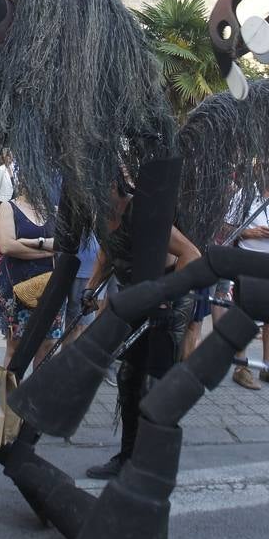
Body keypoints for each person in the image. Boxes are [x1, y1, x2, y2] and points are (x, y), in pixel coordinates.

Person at [84, 176, 199, 480]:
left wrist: (167, 294)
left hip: (168, 302)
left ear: (114, 185)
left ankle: (155, 462)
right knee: (128, 377)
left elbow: (191, 254)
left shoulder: (143, 210)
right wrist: (91, 289)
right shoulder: (104, 214)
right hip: (136, 296)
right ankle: (127, 456)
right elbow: (106, 254)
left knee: (157, 385)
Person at [223, 172, 269, 390]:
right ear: (259, 169)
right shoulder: (244, 194)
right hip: (249, 260)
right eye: (268, 166)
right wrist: (250, 232)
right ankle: (240, 366)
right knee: (244, 313)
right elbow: (227, 226)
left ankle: (268, 366)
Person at [0, 185, 60, 367]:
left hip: (49, 286)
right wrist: (47, 250)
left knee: (47, 344)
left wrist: (35, 242)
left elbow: (63, 244)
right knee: (15, 348)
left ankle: (34, 394)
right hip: (17, 287)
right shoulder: (9, 207)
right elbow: (7, 247)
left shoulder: (53, 209)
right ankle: (11, 394)